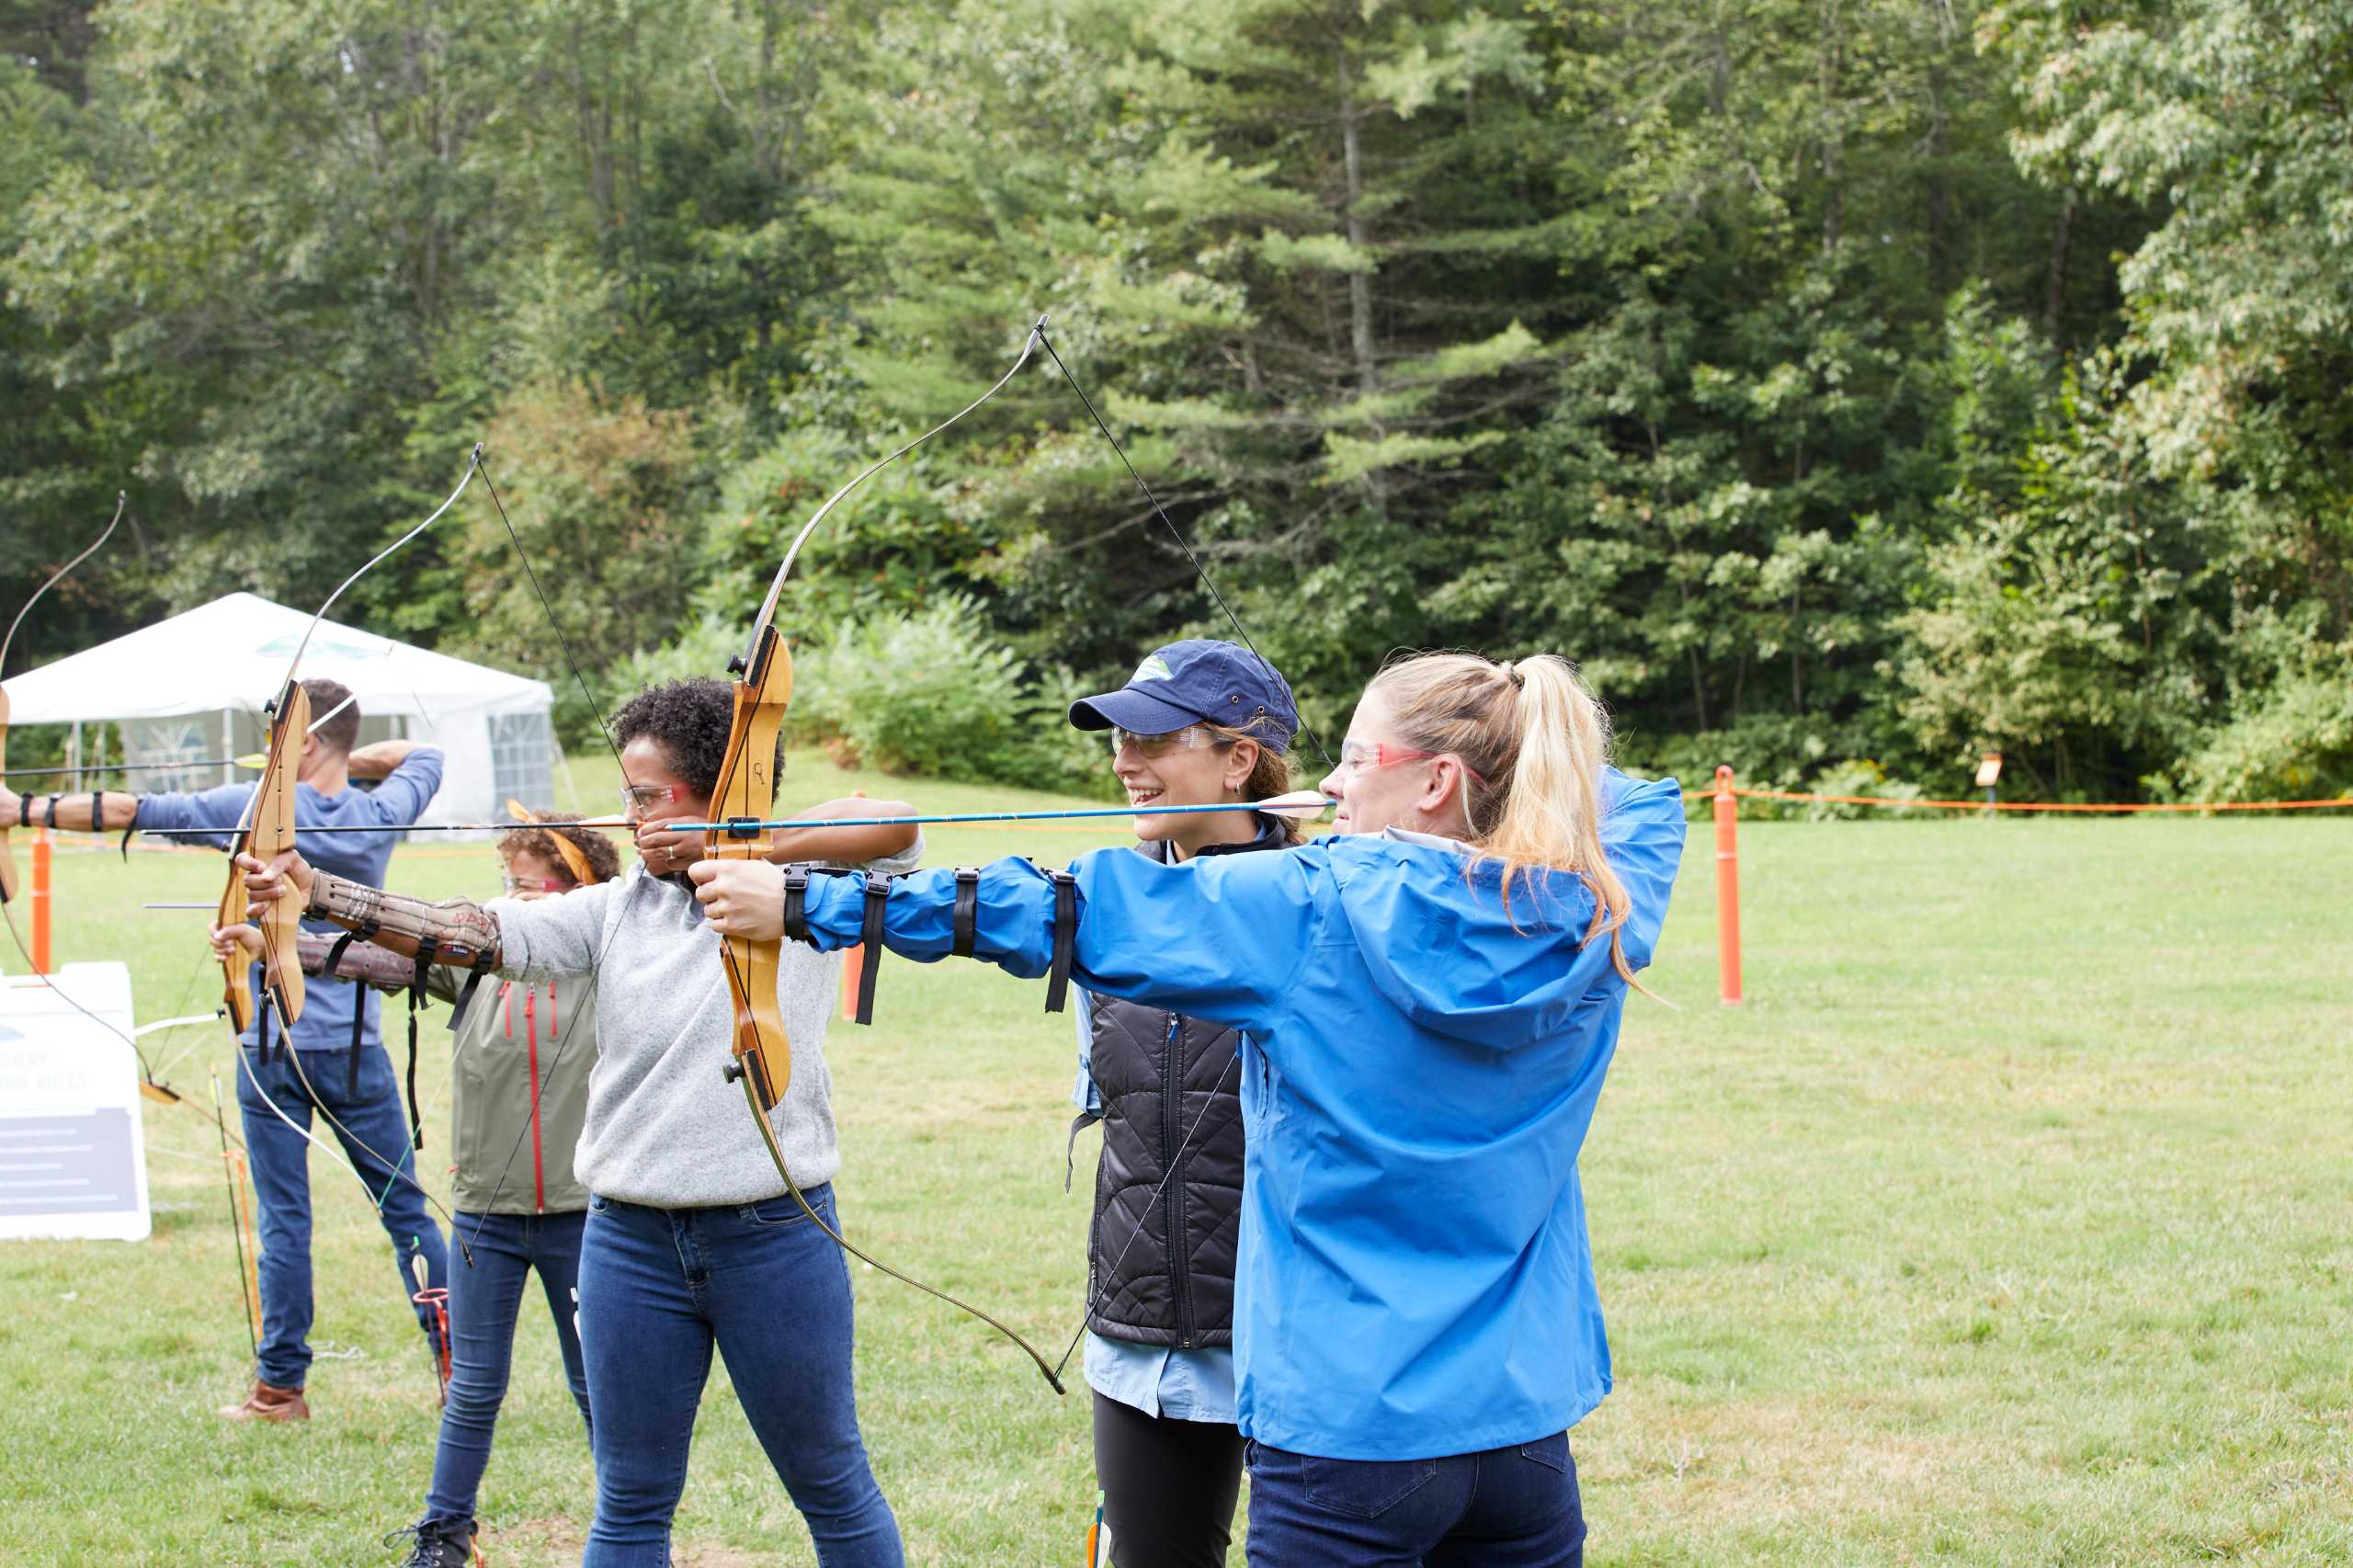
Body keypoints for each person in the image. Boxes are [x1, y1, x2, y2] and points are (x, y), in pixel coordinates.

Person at [685, 650, 1686, 1565]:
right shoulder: (1598, 902)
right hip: (1521, 1434)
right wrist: (1514, 752)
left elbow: (1052, 906)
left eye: (1352, 756)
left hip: (1348, 1436)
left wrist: (806, 902)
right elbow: (1643, 796)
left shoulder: (1310, 901)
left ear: (1435, 780)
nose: (1331, 784)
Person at [237, 677, 924, 1568]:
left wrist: (734, 842)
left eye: (646, 796)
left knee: (830, 1480)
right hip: (628, 1240)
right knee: (631, 1498)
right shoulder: (620, 905)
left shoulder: (803, 881)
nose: (631, 818)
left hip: (771, 1233)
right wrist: (316, 888)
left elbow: (897, 820)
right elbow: (471, 932)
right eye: (628, 796)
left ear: (723, 787)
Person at [2, 676, 449, 1423]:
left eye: (282, 737)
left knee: (284, 1218)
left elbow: (125, 810)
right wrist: (347, 756)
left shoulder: (251, 811)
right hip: (355, 1049)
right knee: (406, 1210)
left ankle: (280, 1390)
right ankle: (457, 1370)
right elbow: (424, 753)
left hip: (274, 1043)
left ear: (303, 739)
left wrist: (17, 809)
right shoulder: (382, 810)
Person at [223, 813, 620, 1566]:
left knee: (595, 1384)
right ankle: (444, 1534)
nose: (511, 898)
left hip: (584, 1215)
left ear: (578, 892)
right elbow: (378, 955)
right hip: (483, 1217)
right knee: (473, 1387)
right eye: (507, 883)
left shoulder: (607, 958)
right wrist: (267, 943)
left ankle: (630, 1528)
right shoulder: (475, 962)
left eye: (531, 882)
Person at [1061, 640, 1304, 1568]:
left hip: (1292, 1336)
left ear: (1238, 758)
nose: (1125, 761)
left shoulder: (1322, 907)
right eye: (1119, 739)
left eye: (1153, 738)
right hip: (1142, 1339)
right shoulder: (1107, 919)